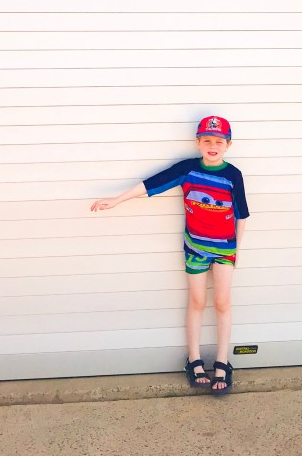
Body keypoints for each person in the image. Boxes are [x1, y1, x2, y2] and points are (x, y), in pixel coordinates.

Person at [90, 115, 248, 395]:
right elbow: (153, 183)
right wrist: (117, 200)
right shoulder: (187, 169)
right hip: (195, 248)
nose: (213, 146)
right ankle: (194, 360)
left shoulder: (233, 175)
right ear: (198, 143)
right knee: (197, 301)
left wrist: (236, 250)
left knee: (222, 302)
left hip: (225, 249)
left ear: (228, 145)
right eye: (207, 141)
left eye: (219, 141)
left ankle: (223, 361)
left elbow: (242, 215)